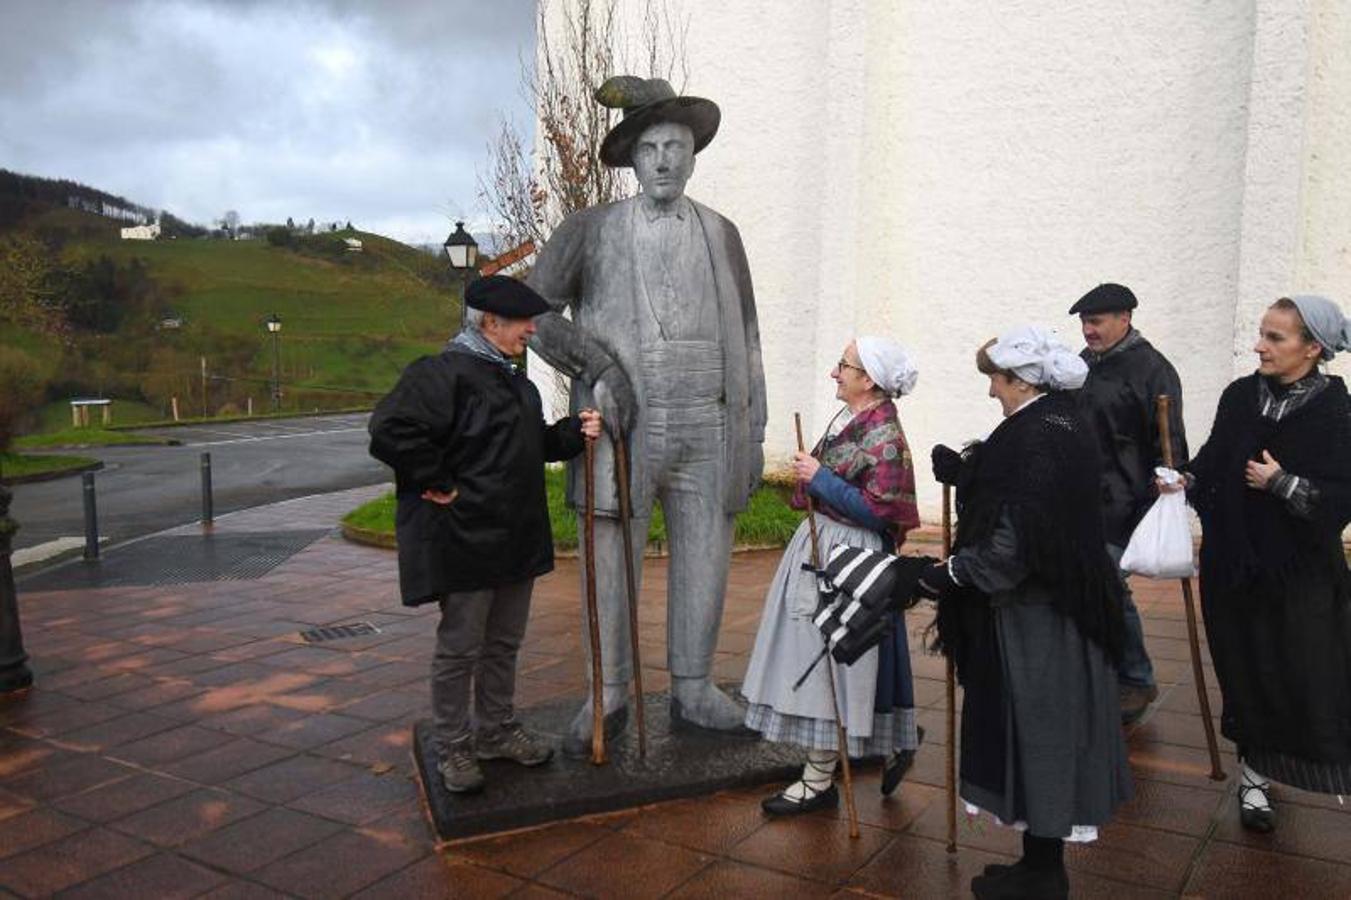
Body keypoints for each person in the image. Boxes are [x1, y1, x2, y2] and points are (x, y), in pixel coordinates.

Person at [527, 76, 767, 753]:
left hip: (706, 421)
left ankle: (693, 686)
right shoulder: (589, 230)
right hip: (619, 426)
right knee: (609, 555)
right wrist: (593, 365)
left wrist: (751, 435)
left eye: (677, 147)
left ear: (693, 156)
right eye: (652, 147)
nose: (664, 159)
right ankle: (608, 692)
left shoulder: (722, 234)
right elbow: (532, 312)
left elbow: (747, 337)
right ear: (632, 158)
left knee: (706, 556)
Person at [368, 275, 602, 794]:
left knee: (503, 644)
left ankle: (495, 731)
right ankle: (453, 745)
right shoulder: (442, 373)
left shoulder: (516, 382)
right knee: (461, 648)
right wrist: (436, 480)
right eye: (524, 321)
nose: (532, 329)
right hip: (465, 540)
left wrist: (570, 433)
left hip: (515, 539)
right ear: (489, 322)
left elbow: (531, 445)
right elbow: (390, 429)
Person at [921, 326, 1132, 900]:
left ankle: (1046, 875)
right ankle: (1039, 865)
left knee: (1040, 735)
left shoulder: (1042, 435)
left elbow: (1015, 543)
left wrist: (947, 575)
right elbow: (1023, 495)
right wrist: (967, 473)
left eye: (995, 378)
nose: (991, 390)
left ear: (1020, 379)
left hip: (1042, 617)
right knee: (1035, 735)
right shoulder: (1055, 421)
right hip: (1055, 607)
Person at [1170, 295, 1351, 833]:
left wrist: (1283, 484)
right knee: (1245, 670)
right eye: (1262, 333)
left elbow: (1342, 497)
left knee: (1306, 671)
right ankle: (1254, 778)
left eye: (1276, 338)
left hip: (1299, 575)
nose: (1259, 346)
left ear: (1313, 347)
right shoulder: (1239, 396)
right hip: (1233, 567)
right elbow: (1212, 460)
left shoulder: (1336, 413)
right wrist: (1185, 480)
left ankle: (1318, 766)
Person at [741, 337, 923, 814]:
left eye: (844, 365)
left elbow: (880, 512)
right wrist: (811, 481)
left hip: (849, 557)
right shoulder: (849, 421)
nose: (834, 373)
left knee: (831, 660)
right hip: (823, 546)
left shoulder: (885, 437)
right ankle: (882, 745)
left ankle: (819, 779)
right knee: (835, 655)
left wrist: (819, 478)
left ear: (869, 380)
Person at [1070, 283, 1186, 723]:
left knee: (1108, 584)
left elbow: (1170, 441)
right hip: (1081, 498)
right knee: (1089, 586)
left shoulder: (1153, 369)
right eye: (1084, 322)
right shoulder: (1083, 366)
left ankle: (1136, 678)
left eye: (1095, 321)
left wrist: (1171, 480)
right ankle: (1102, 672)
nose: (1088, 330)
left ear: (1125, 318)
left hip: (1126, 500)